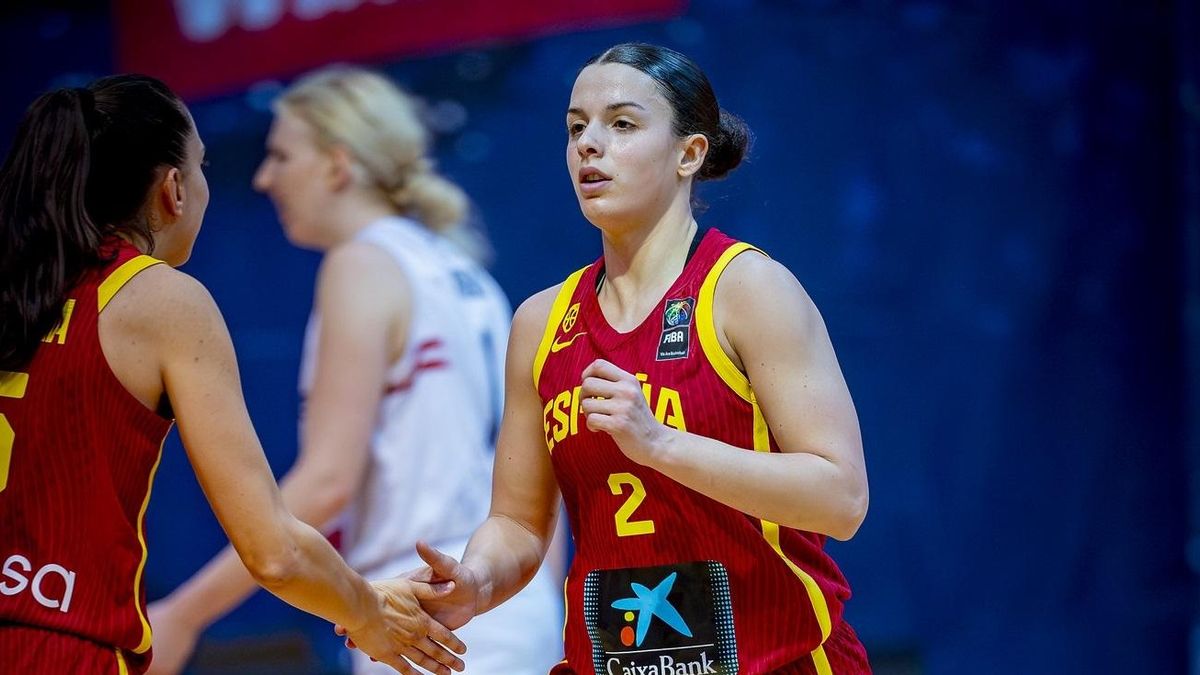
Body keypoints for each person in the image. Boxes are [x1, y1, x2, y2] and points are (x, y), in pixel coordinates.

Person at [394, 42, 873, 674]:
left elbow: (840, 499)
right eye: (575, 127)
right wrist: (478, 581)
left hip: (776, 660)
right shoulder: (541, 322)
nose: (589, 144)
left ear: (689, 153)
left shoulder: (748, 289)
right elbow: (517, 522)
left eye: (621, 124)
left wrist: (661, 444)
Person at [0, 75, 466, 675]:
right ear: (173, 189)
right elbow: (274, 549)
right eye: (203, 166)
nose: (255, 179)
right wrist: (368, 609)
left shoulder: (20, 297)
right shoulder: (162, 300)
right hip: (61, 652)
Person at [147, 67, 562, 675]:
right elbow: (540, 487)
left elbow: (326, 483)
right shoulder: (466, 273)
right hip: (514, 608)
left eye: (282, 156)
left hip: (428, 606)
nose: (264, 178)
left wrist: (183, 613)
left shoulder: (363, 265)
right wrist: (539, 604)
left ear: (338, 165)